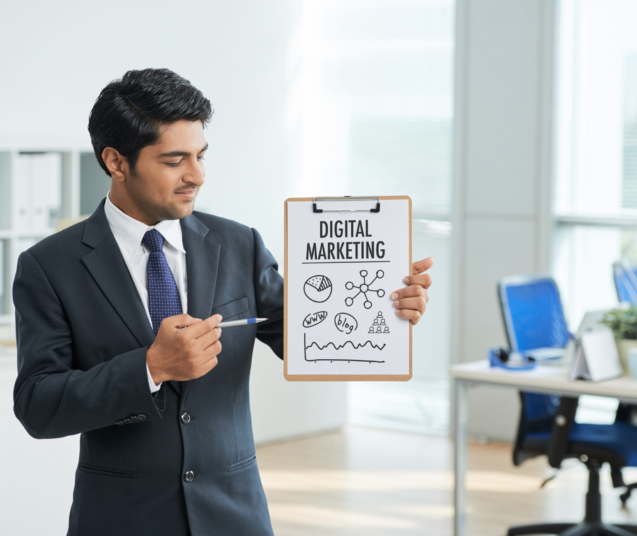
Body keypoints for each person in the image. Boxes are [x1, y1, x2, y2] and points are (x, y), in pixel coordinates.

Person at [12, 68, 433, 536]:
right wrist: (150, 368)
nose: (197, 175)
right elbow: (38, 404)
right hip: (121, 518)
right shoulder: (49, 266)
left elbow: (310, 339)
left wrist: (384, 310)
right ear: (116, 161)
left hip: (235, 515)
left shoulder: (240, 245)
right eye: (174, 161)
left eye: (201, 156)